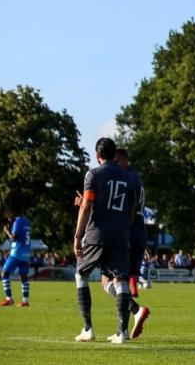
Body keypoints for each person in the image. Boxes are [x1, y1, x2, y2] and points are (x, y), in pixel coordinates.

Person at [72, 137, 140, 344]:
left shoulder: (93, 174)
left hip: (96, 234)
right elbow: (132, 210)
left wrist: (77, 236)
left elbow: (87, 206)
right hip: (120, 234)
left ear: (97, 155)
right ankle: (122, 332)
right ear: (114, 155)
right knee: (120, 280)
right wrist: (122, 228)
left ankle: (88, 329)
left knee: (81, 274)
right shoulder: (129, 178)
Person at [114, 148, 151, 336]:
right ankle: (124, 330)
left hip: (128, 231)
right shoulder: (137, 177)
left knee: (112, 279)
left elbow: (128, 209)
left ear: (121, 160)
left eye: (115, 161)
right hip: (140, 231)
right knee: (121, 280)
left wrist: (120, 232)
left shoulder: (126, 179)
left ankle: (133, 315)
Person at [0, 206, 32, 307]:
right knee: (23, 276)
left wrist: (7, 231)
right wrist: (11, 249)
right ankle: (25, 301)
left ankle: (9, 299)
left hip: (17, 253)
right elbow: (22, 239)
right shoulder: (27, 221)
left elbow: (14, 237)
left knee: (4, 273)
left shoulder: (17, 221)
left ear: (13, 212)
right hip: (26, 254)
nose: (8, 218)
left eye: (8, 215)